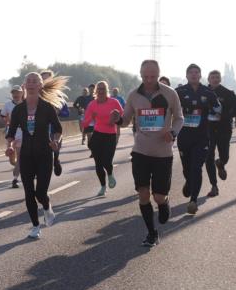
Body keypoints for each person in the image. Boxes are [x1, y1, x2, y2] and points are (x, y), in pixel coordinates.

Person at [111, 60, 184, 247]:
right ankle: (152, 233)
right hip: (141, 152)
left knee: (158, 196)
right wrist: (118, 119)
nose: (149, 80)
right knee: (143, 194)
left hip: (163, 153)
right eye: (146, 76)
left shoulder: (170, 93)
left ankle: (164, 202)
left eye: (153, 76)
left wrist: (173, 133)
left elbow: (179, 118)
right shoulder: (134, 95)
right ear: (141, 74)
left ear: (158, 74)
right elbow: (126, 120)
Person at [5, 72, 67, 239]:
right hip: (25, 155)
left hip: (44, 154)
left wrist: (55, 140)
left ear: (40, 85)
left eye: (35, 81)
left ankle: (47, 207)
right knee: (28, 192)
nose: (31, 84)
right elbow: (10, 133)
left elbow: (58, 129)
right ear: (25, 85)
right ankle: (35, 226)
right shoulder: (18, 110)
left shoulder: (47, 108)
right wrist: (10, 146)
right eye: (28, 81)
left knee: (40, 192)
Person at [175, 64, 221, 215]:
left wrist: (210, 116)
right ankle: (189, 182)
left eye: (196, 72)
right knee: (187, 168)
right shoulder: (179, 92)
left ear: (200, 75)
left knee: (197, 167)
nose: (194, 75)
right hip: (184, 136)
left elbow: (218, 111)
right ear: (186, 75)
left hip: (202, 136)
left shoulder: (208, 92)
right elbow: (169, 109)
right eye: (191, 73)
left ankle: (193, 200)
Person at [82, 81, 124, 196]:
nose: (100, 91)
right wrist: (91, 118)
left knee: (106, 161)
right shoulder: (92, 104)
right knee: (98, 164)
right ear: (96, 91)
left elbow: (123, 117)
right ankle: (103, 187)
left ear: (107, 91)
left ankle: (110, 174)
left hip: (110, 135)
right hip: (97, 135)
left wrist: (116, 118)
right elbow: (85, 123)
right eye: (99, 89)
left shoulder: (114, 102)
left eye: (103, 89)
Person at [204, 70, 236, 196]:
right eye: (212, 77)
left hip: (224, 128)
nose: (214, 79)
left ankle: (220, 163)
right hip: (207, 129)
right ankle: (214, 186)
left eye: (217, 77)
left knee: (224, 155)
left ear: (220, 79)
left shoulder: (228, 93)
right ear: (208, 79)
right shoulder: (203, 92)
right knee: (208, 156)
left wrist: (224, 116)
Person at [41, 70, 67, 176]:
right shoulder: (36, 94)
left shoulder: (58, 95)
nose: (44, 81)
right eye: (42, 79)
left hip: (54, 130)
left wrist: (58, 111)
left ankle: (56, 160)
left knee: (54, 151)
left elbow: (66, 112)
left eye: (47, 78)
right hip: (40, 129)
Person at [0, 86, 24, 188]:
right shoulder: (8, 105)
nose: (16, 95)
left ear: (22, 93)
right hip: (11, 132)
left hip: (22, 132)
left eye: (18, 93)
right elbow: (1, 116)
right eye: (14, 93)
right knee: (11, 160)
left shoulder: (26, 104)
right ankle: (23, 167)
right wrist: (5, 121)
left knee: (19, 157)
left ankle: (15, 179)